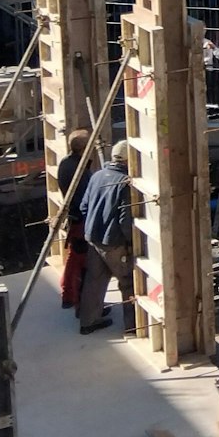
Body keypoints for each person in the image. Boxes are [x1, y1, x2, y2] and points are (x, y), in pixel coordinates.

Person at [77, 140, 136, 336]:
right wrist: (131, 243)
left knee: (94, 281)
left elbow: (84, 206)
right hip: (114, 243)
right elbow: (124, 220)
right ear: (129, 160)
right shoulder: (125, 183)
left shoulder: (97, 176)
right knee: (128, 283)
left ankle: (88, 322)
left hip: (93, 238)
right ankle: (134, 327)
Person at [56, 128, 94, 312]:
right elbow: (87, 197)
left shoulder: (65, 163)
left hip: (73, 218)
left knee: (74, 258)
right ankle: (81, 304)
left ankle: (68, 295)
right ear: (84, 148)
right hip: (80, 220)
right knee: (82, 262)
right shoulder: (80, 171)